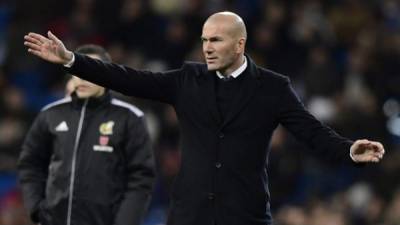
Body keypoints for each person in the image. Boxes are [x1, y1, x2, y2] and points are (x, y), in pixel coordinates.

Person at [23, 11, 385, 225]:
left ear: (239, 44)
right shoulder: (187, 80)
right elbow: (127, 78)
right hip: (189, 214)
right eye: (204, 40)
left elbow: (311, 131)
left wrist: (349, 150)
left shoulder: (273, 88)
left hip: (245, 214)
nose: (207, 47)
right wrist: (73, 60)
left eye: (215, 40)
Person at [17, 44, 155, 225]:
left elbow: (141, 178)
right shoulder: (50, 115)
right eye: (78, 72)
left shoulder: (129, 118)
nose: (83, 79)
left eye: (91, 72)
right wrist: (36, 208)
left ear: (106, 75)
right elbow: (30, 164)